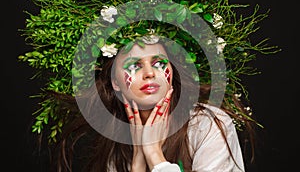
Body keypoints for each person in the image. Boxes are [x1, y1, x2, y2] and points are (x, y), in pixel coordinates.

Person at [51, 37, 252, 172]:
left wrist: (154, 154)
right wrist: (138, 163)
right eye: (134, 66)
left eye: (158, 63)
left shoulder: (207, 125)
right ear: (115, 83)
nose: (149, 73)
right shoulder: (118, 146)